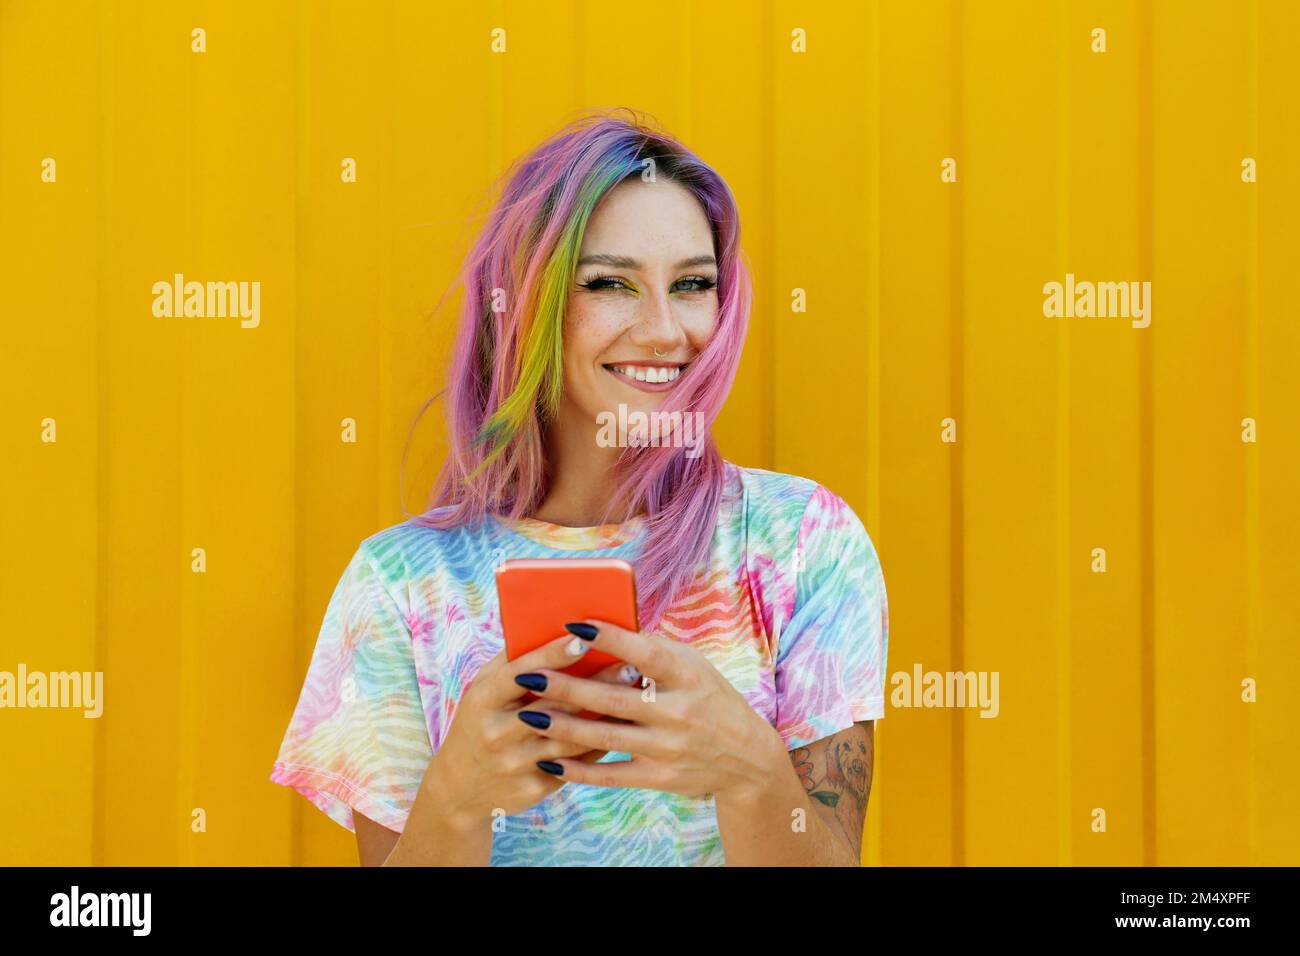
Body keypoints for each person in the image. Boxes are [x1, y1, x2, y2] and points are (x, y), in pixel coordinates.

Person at [270, 108, 889, 866]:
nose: (666, 331)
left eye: (693, 283)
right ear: (527, 303)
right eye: (611, 284)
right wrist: (456, 798)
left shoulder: (804, 543)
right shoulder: (399, 585)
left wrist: (748, 771)